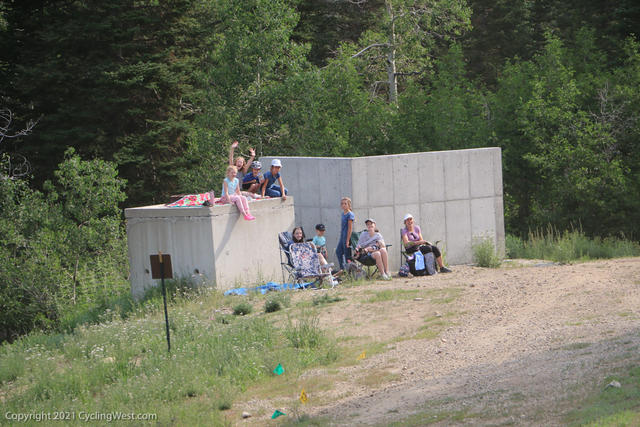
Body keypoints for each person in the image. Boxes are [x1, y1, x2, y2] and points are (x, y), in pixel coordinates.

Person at [336, 197, 354, 271]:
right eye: (342, 204)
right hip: (342, 236)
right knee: (338, 251)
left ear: (349, 205)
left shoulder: (350, 214)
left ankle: (350, 271)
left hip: (347, 236)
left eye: (345, 204)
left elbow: (350, 228)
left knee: (347, 255)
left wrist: (347, 240)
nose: (343, 205)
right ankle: (342, 269)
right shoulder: (343, 214)